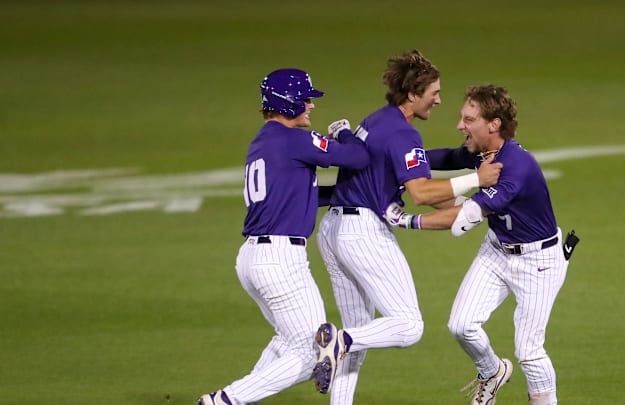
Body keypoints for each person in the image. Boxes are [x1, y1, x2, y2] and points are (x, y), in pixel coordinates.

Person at [310, 50, 503, 405]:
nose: (440, 99)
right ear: (413, 94)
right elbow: (421, 192)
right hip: (363, 234)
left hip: (333, 231)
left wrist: (471, 207)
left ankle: (342, 351)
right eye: (435, 92)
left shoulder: (379, 120)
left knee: (363, 335)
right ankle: (339, 340)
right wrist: (476, 178)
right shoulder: (402, 134)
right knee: (408, 326)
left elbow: (422, 179)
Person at [385, 84, 576, 405]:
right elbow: (443, 157)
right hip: (497, 248)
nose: (460, 125)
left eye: (469, 119)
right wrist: (398, 159)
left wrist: (406, 220)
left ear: (494, 124)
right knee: (461, 326)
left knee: (529, 351)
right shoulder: (482, 154)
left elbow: (467, 213)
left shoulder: (515, 166)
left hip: (539, 262)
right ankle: (492, 371)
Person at [198, 68, 370, 405]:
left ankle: (236, 401)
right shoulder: (295, 140)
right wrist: (346, 134)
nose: (311, 105)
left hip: (253, 257)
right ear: (287, 102)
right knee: (312, 355)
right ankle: (224, 401)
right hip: (280, 260)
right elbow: (357, 158)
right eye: (306, 99)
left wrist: (355, 196)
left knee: (287, 340)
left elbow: (298, 194)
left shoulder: (263, 141)